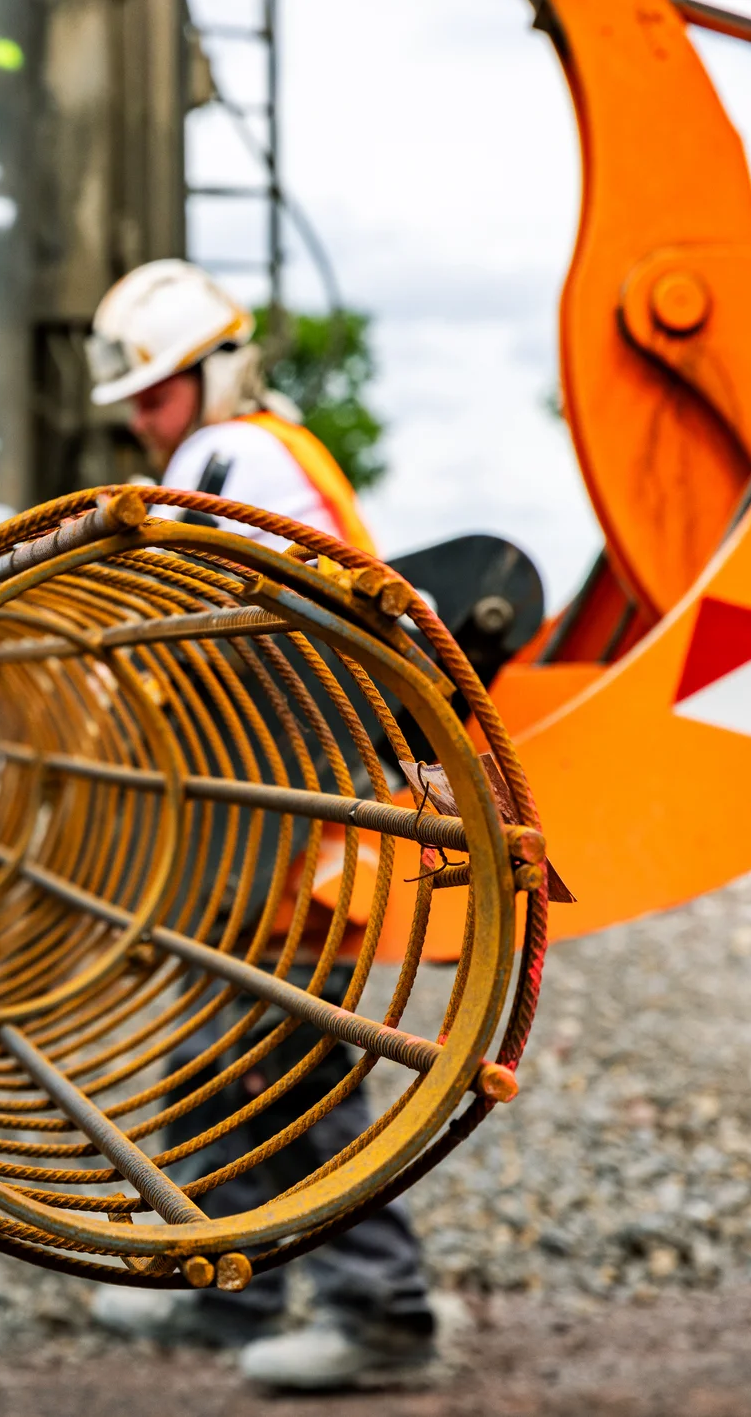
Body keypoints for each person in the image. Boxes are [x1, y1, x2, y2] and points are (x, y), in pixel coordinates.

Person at [81, 259, 443, 1393]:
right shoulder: (237, 456)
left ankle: (384, 1311)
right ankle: (221, 1287)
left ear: (215, 372)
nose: (144, 424)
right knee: (214, 1043)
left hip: (308, 809)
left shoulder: (234, 457)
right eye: (136, 405)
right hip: (269, 807)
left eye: (155, 395)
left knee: (293, 1056)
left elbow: (167, 598)